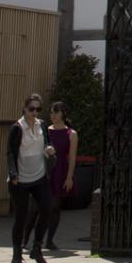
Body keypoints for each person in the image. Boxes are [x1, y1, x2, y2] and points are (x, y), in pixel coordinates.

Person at [6, 93, 57, 263]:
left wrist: (49, 149)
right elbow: (11, 153)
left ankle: (37, 247)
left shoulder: (42, 125)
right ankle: (17, 255)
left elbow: (47, 144)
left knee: (47, 208)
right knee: (21, 216)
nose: (35, 112)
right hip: (20, 179)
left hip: (39, 175)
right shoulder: (17, 128)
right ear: (24, 108)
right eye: (31, 109)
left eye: (38, 109)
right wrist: (13, 173)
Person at [39, 100, 77, 254]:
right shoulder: (46, 130)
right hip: (46, 169)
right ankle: (36, 238)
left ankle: (50, 240)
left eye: (56, 112)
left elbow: (72, 158)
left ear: (63, 114)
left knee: (55, 207)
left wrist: (69, 178)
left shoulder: (71, 134)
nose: (53, 115)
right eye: (51, 112)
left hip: (60, 170)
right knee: (42, 206)